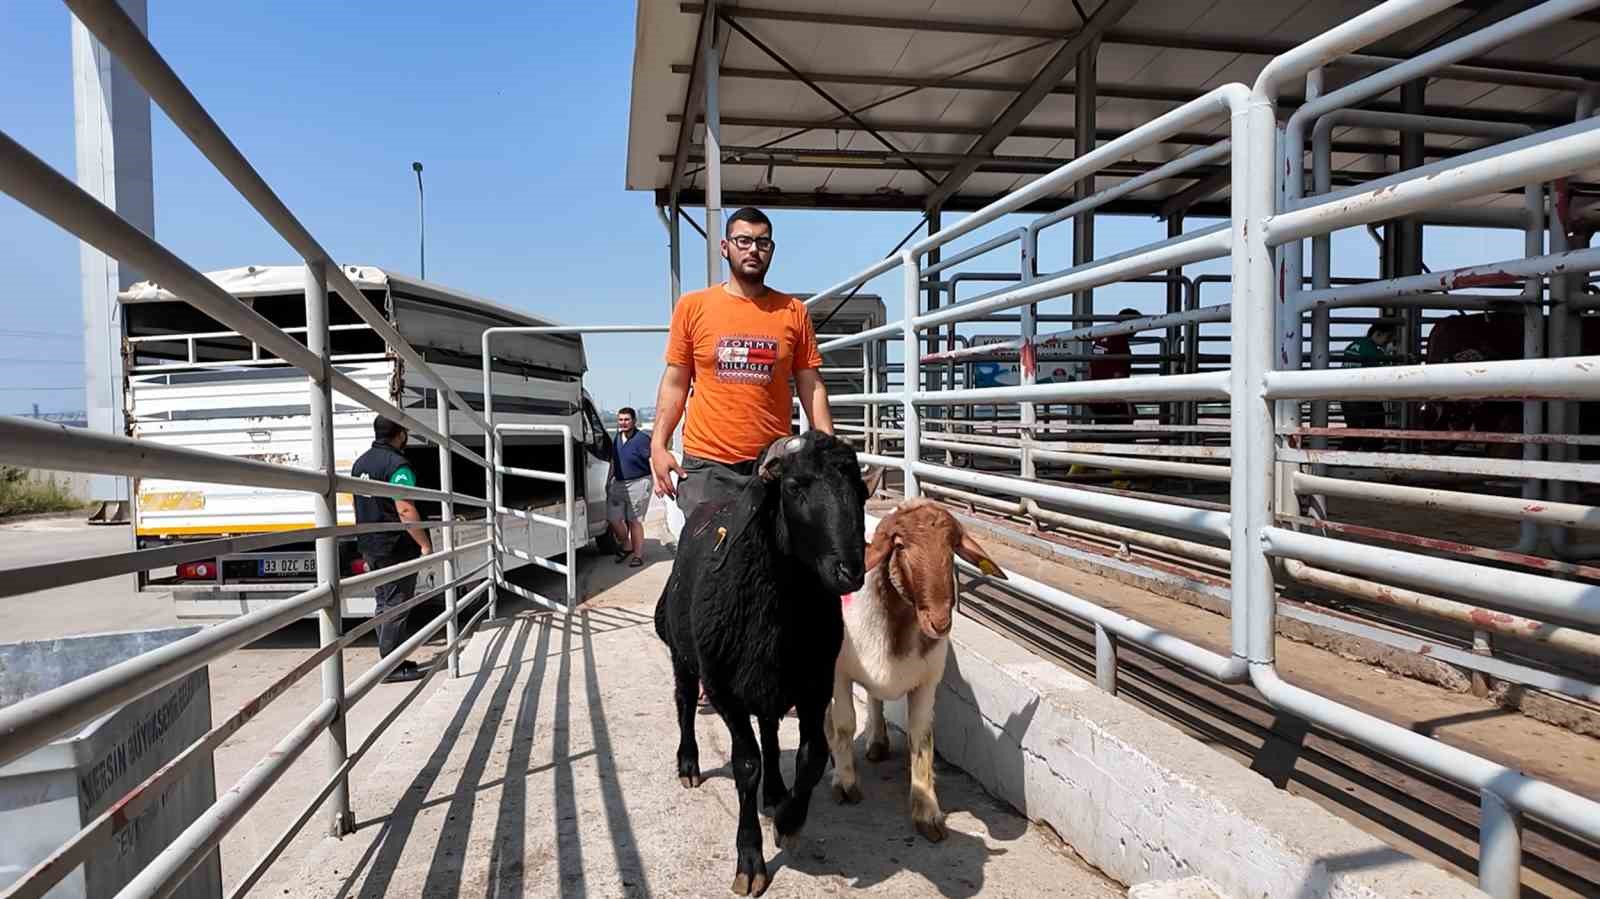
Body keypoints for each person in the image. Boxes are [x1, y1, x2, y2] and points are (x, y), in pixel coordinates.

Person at [648, 206, 833, 713]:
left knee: (779, 569)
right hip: (708, 463)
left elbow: (810, 384)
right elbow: (675, 382)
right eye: (745, 240)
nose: (755, 249)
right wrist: (659, 444)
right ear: (726, 248)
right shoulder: (694, 308)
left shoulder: (792, 312)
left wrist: (825, 450)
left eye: (764, 242)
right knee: (714, 565)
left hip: (770, 466)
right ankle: (706, 667)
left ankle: (778, 668)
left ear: (772, 250)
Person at [352, 415, 432, 684]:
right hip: (395, 546)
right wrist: (423, 544)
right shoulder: (398, 465)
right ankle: (391, 666)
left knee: (383, 603)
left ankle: (391, 658)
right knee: (397, 604)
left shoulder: (360, 463)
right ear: (400, 434)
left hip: (370, 545)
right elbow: (405, 508)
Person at [606, 406, 652, 568]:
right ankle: (627, 544)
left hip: (639, 483)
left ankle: (638, 555)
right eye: (620, 420)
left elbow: (652, 461)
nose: (623, 423)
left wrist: (658, 482)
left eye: (626, 419)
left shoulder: (643, 439)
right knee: (613, 519)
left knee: (634, 521)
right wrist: (608, 479)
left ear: (634, 421)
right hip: (618, 484)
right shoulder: (617, 438)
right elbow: (614, 460)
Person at [1340, 323, 1399, 451]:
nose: (1388, 341)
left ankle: (1342, 458)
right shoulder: (1374, 350)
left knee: (1354, 431)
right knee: (1375, 430)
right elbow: (1387, 373)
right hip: (1363, 396)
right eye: (1388, 338)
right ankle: (1369, 458)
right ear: (1378, 334)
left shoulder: (1355, 344)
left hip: (1346, 394)